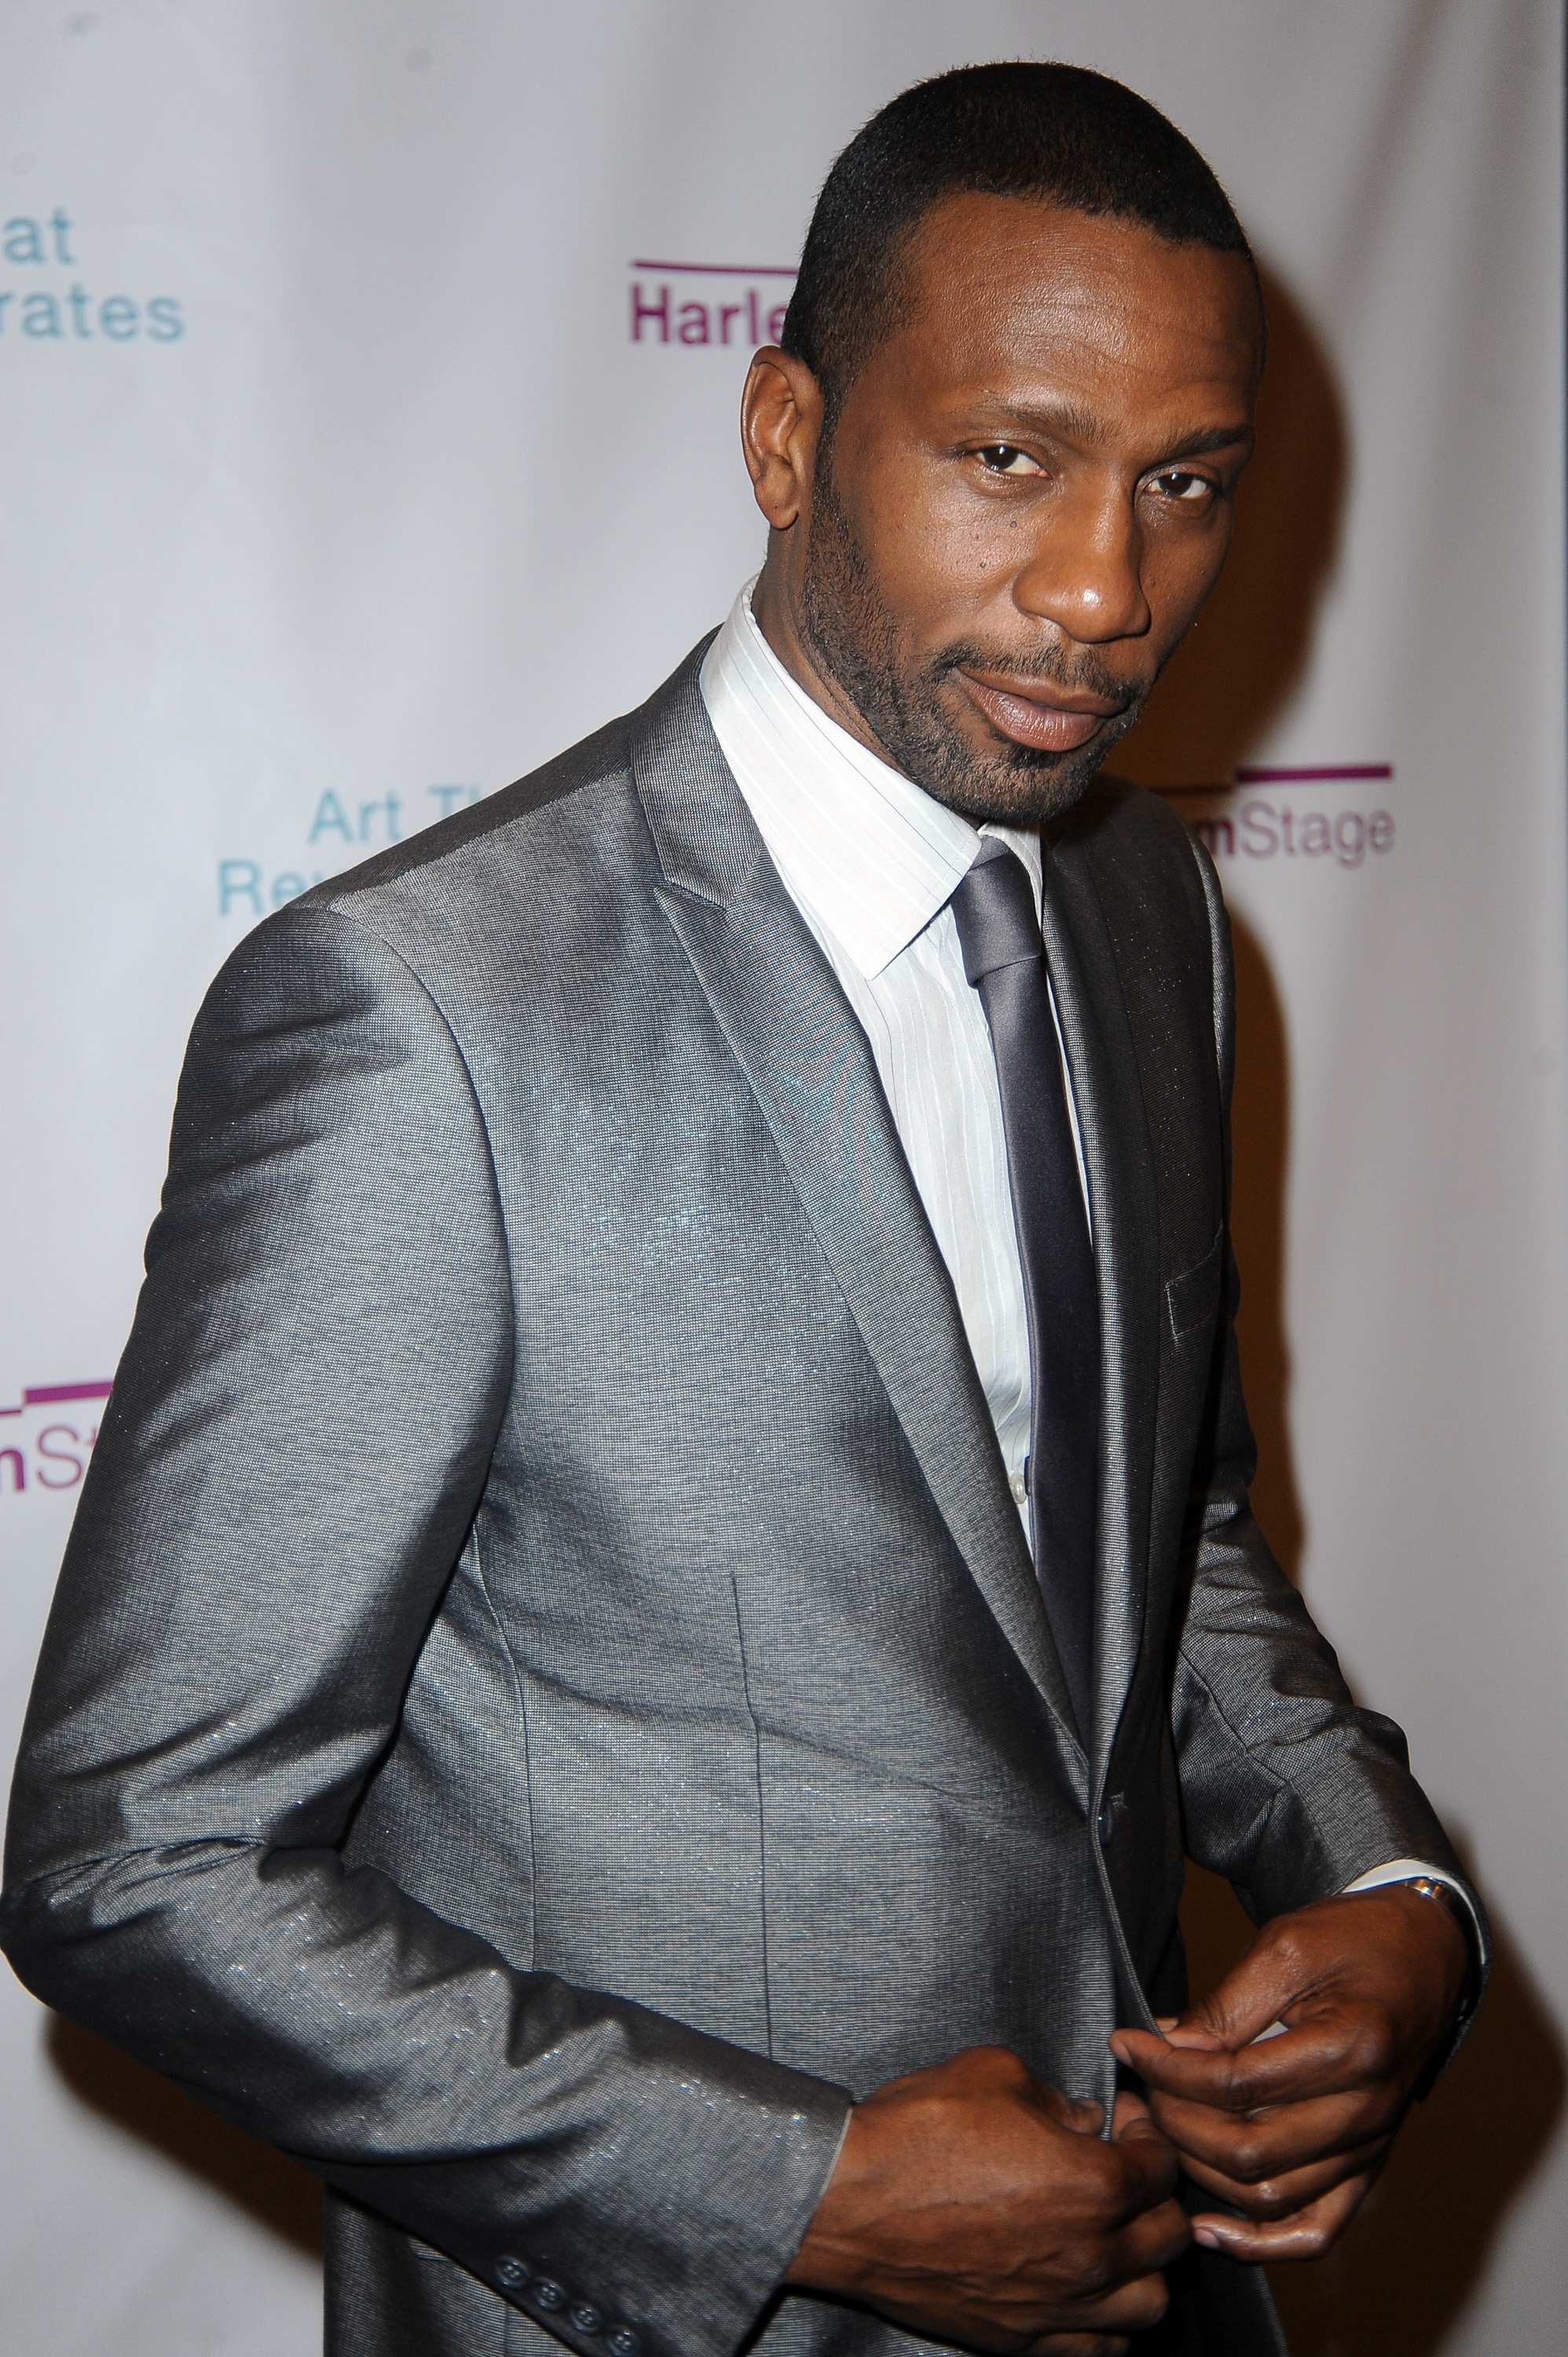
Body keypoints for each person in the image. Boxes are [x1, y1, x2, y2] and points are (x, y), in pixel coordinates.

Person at [1, 61, 1483, 2357]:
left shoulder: (1143, 923)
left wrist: (1380, 1884)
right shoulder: (421, 1015)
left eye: (1182, 484)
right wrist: (788, 2193)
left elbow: (1144, 1552)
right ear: (788, 436)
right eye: (1009, 458)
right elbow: (138, 1864)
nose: (1105, 590)